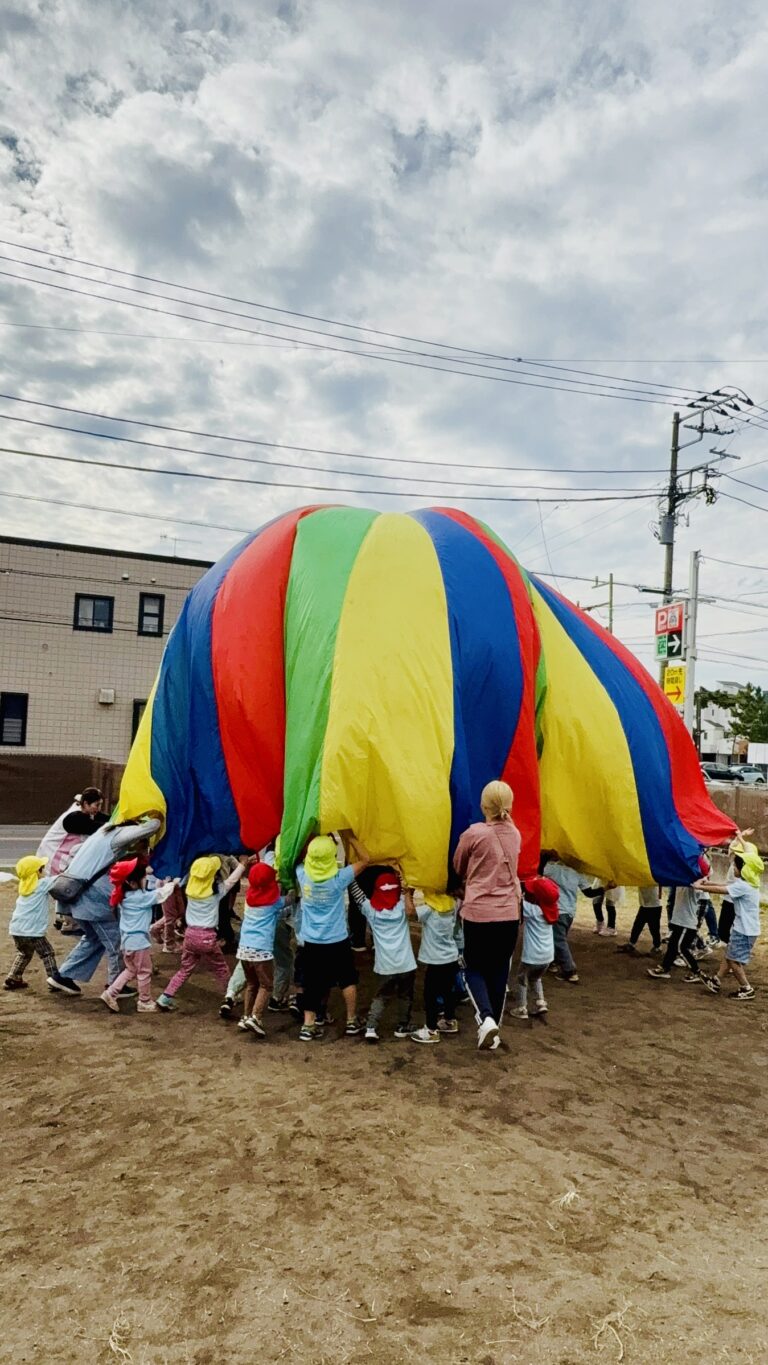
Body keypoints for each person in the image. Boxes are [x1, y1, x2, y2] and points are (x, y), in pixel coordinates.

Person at [453, 779, 522, 1051]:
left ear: (483, 805)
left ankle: (486, 1018)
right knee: (498, 970)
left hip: (479, 914)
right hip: (508, 915)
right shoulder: (515, 835)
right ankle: (493, 1028)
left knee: (473, 968)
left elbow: (459, 865)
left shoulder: (474, 834)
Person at [296, 834, 370, 1042]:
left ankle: (308, 1025)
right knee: (347, 979)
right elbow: (366, 859)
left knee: (311, 982)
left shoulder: (303, 876)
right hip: (337, 939)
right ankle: (351, 1020)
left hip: (311, 940)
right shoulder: (339, 878)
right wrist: (350, 836)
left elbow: (296, 859)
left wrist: (307, 834)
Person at [156, 856, 249, 1011]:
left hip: (190, 936)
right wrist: (243, 865)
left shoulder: (189, 889)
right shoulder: (216, 891)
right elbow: (232, 880)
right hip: (207, 938)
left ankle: (165, 997)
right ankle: (231, 995)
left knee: (185, 969)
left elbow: (182, 878)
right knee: (221, 968)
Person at [100, 860, 177, 1014]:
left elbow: (153, 891)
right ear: (133, 882)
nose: (145, 879)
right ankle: (144, 1001)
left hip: (128, 942)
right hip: (139, 943)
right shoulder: (139, 898)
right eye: (143, 877)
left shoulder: (125, 896)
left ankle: (111, 993)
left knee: (131, 970)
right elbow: (160, 894)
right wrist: (173, 882)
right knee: (144, 972)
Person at [349, 870, 416, 1043]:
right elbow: (407, 897)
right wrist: (403, 878)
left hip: (385, 965)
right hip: (406, 964)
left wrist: (351, 874)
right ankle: (403, 1026)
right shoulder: (401, 907)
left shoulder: (371, 910)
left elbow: (358, 895)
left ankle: (371, 1027)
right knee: (405, 996)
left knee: (381, 996)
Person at [700, 846, 763, 1002]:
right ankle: (716, 980)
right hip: (745, 929)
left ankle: (746, 988)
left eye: (735, 866)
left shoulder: (743, 886)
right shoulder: (749, 883)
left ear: (744, 869)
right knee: (729, 954)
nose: (733, 868)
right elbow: (721, 885)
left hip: (744, 930)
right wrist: (705, 883)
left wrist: (699, 886)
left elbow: (721, 889)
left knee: (734, 961)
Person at [234, 861, 285, 1037]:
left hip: (244, 950)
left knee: (251, 984)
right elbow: (288, 900)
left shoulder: (249, 899)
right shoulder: (273, 903)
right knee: (266, 985)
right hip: (261, 951)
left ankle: (245, 1016)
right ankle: (256, 1016)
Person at [409, 889, 462, 1044]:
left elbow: (410, 912)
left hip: (436, 960)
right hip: (451, 956)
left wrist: (408, 892)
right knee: (447, 991)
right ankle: (449, 1021)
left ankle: (431, 1030)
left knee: (430, 994)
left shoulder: (429, 909)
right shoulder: (452, 905)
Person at [4, 856, 58, 990]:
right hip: (32, 932)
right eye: (42, 869)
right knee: (47, 953)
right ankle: (55, 980)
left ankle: (13, 977)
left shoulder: (23, 886)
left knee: (24, 953)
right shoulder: (42, 884)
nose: (44, 871)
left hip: (17, 930)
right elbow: (59, 880)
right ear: (37, 873)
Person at [510, 875, 559, 1021]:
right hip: (547, 956)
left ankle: (521, 1008)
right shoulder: (551, 909)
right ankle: (540, 1002)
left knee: (521, 978)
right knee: (536, 977)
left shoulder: (532, 910)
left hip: (532, 956)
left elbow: (516, 899)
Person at [647, 873, 707, 983]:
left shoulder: (696, 882)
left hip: (687, 923)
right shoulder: (682, 878)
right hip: (680, 921)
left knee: (681, 948)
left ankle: (696, 971)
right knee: (672, 945)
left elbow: (699, 886)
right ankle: (665, 968)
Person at [542, 857, 590, 984]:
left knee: (558, 940)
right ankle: (553, 962)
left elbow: (538, 870)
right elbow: (589, 892)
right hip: (569, 913)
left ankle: (570, 971)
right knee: (558, 939)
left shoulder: (554, 869)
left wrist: (545, 855)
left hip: (558, 910)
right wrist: (607, 887)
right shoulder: (578, 874)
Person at [617, 885, 663, 955]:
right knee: (637, 925)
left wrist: (660, 893)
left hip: (654, 905)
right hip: (644, 905)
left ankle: (658, 947)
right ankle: (631, 943)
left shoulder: (654, 875)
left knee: (654, 928)